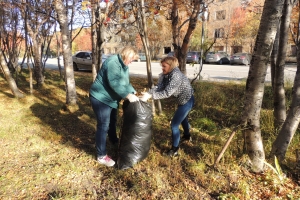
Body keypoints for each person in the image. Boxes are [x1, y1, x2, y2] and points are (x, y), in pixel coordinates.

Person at [89, 46, 139, 167]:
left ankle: (113, 140)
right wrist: (127, 95)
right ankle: (101, 156)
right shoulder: (113, 63)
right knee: (103, 125)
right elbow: (114, 83)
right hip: (100, 98)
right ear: (126, 55)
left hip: (111, 99)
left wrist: (132, 92)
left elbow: (125, 82)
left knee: (113, 121)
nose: (131, 62)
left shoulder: (124, 65)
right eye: (131, 59)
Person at [141, 56, 194, 157]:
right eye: (162, 66)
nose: (162, 68)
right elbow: (159, 87)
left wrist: (151, 96)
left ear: (171, 66)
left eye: (164, 66)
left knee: (174, 124)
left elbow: (167, 93)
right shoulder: (165, 74)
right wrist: (148, 93)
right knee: (183, 119)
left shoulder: (176, 75)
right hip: (182, 101)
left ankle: (174, 151)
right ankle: (187, 136)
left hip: (187, 101)